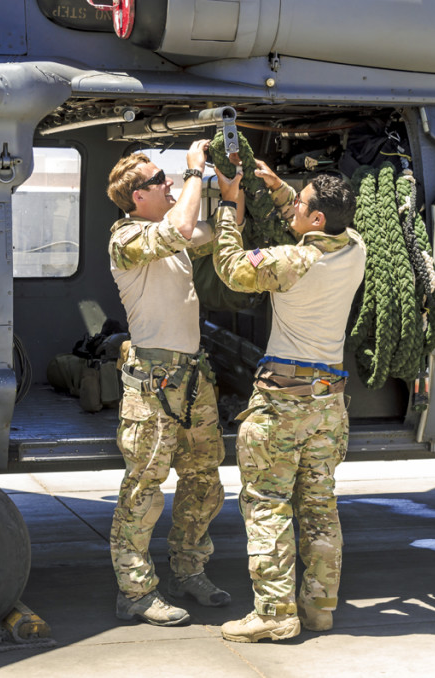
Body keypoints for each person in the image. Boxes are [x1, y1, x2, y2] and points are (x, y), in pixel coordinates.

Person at [212, 159, 366, 643]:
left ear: (316, 220)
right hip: (328, 405)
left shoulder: (294, 263)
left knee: (268, 505)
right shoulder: (356, 247)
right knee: (320, 505)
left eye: (299, 205)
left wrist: (226, 206)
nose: (292, 208)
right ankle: (319, 608)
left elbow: (233, 270)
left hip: (283, 403)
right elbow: (310, 224)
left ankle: (275, 612)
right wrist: (281, 190)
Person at [104, 140, 230, 627]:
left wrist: (233, 194)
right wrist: (196, 174)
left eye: (172, 178)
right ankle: (135, 592)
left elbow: (210, 233)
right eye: (161, 181)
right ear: (138, 196)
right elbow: (182, 227)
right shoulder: (128, 238)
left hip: (191, 376)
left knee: (204, 479)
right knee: (144, 487)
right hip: (154, 382)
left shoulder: (168, 233)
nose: (170, 184)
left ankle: (188, 570)